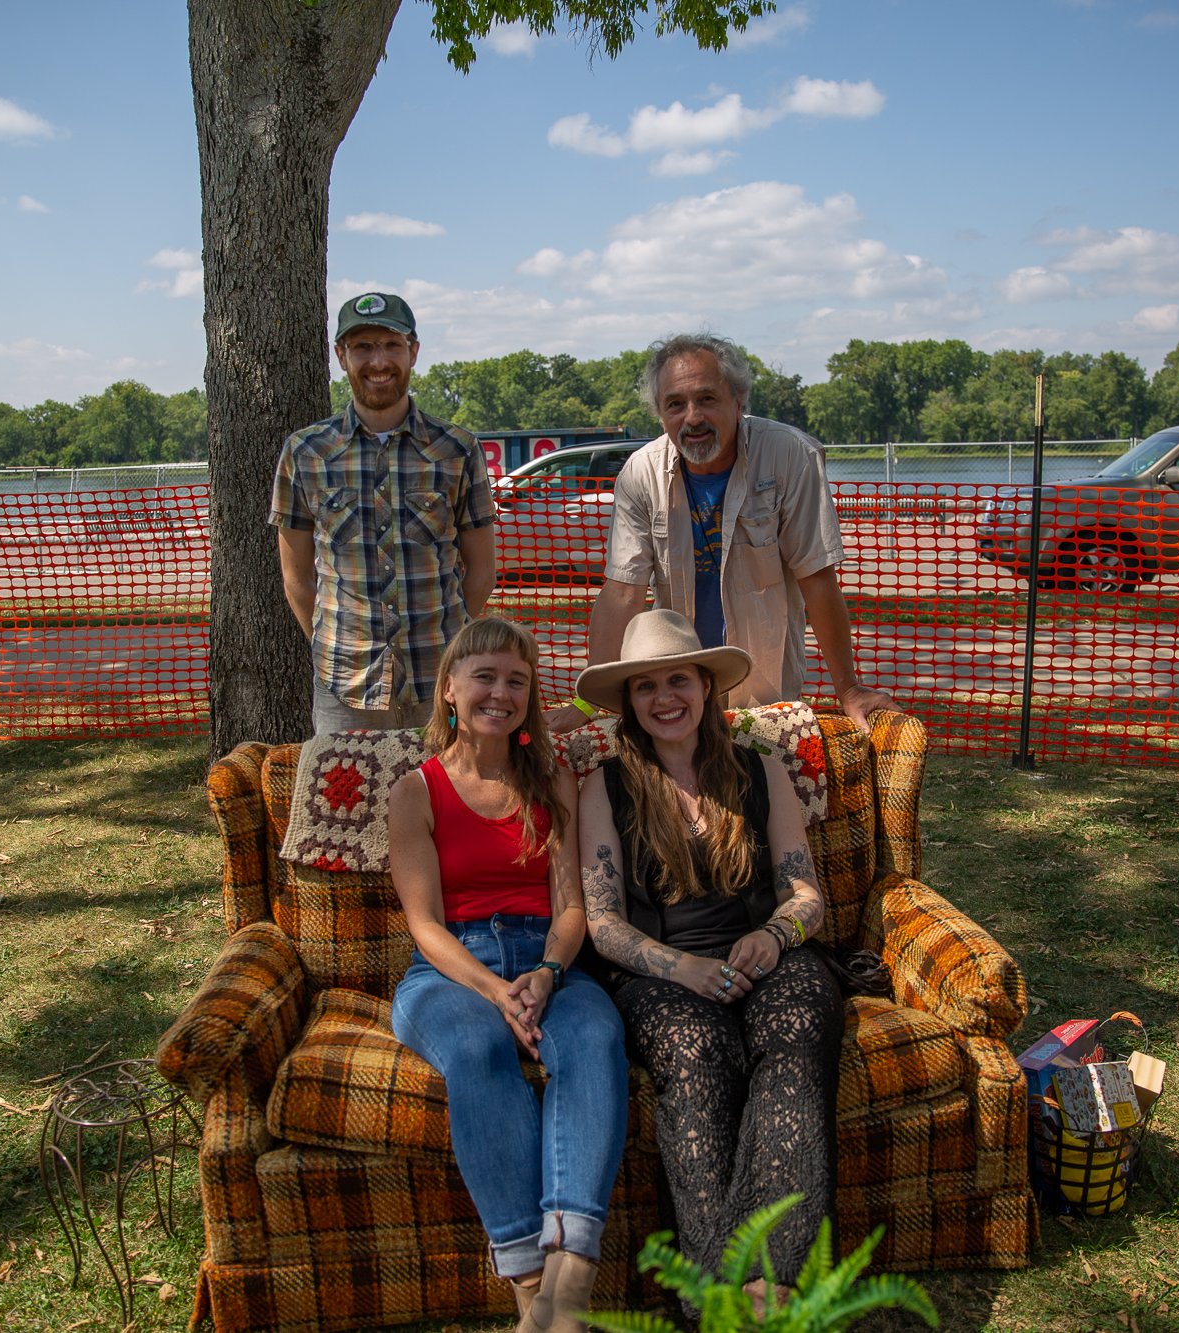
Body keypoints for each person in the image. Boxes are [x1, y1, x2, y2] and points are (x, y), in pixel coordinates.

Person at [574, 608, 843, 1312]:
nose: (665, 698)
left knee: (798, 1025)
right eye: (645, 686)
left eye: (678, 680)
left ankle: (770, 1279)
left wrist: (778, 935)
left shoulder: (760, 767)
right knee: (699, 1051)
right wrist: (679, 967)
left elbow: (805, 889)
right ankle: (714, 1291)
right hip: (657, 969)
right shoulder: (603, 784)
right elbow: (601, 922)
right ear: (628, 702)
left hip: (763, 952)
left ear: (705, 687)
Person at [387, 617, 629, 1332]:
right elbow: (424, 924)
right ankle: (531, 1290)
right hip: (449, 970)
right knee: (477, 1048)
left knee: (594, 1039)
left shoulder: (553, 779)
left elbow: (572, 904)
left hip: (547, 960)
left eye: (517, 680)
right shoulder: (416, 790)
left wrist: (552, 971)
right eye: (485, 676)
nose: (501, 691)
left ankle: (571, 1283)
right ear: (450, 690)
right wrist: (494, 991)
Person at [560, 333, 895, 734]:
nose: (693, 417)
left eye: (706, 399)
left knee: (762, 788)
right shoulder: (639, 473)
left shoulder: (790, 456)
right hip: (676, 688)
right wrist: (586, 702)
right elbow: (622, 591)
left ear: (738, 401)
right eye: (675, 405)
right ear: (660, 415)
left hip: (765, 686)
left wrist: (849, 689)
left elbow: (817, 577)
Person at [272, 292, 496, 735]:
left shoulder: (456, 449)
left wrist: (448, 643)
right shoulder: (306, 453)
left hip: (442, 682)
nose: (379, 361)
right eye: (363, 347)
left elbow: (482, 568)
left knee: (441, 801)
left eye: (391, 345)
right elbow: (296, 576)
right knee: (346, 804)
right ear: (341, 356)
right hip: (343, 686)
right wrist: (328, 645)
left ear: (413, 351)